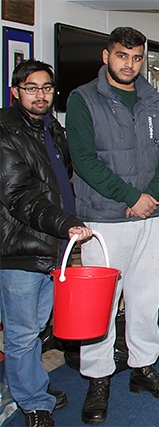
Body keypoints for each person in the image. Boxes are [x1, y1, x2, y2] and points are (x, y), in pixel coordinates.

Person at [66, 27, 159, 425]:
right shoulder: (83, 100)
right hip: (104, 219)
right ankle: (98, 378)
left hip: (152, 216)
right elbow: (83, 160)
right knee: (103, 304)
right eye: (121, 56)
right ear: (106, 56)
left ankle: (143, 368)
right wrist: (132, 197)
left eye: (135, 58)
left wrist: (152, 195)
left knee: (146, 297)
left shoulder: (153, 99)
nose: (128, 64)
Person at [0, 59, 93, 427]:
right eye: (32, 88)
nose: (40, 95)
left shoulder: (51, 128)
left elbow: (62, 179)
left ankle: (31, 387)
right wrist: (67, 223)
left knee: (39, 326)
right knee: (22, 333)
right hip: (22, 249)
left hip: (54, 246)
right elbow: (19, 195)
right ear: (16, 92)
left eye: (46, 88)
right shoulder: (6, 132)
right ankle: (34, 404)